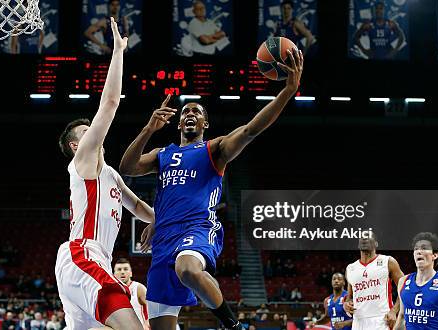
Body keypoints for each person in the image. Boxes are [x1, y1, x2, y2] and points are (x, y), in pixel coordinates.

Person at [119, 48, 304, 330]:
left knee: (187, 269)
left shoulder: (214, 149)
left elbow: (251, 130)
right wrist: (147, 129)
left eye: (197, 111)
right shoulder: (162, 154)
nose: (190, 113)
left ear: (205, 123)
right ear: (179, 122)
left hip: (197, 228)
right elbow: (127, 168)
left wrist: (288, 91)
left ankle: (232, 325)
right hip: (164, 239)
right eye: (185, 111)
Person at [54, 17, 153, 330]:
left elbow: (138, 208)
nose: (94, 133)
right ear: (75, 145)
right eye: (87, 131)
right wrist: (119, 51)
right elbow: (109, 103)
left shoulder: (108, 173)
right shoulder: (83, 161)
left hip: (95, 261)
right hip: (83, 254)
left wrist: (166, 223)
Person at [344, 232, 405, 330]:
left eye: (368, 237)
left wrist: (394, 311)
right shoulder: (350, 268)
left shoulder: (388, 261)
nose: (364, 239)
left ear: (376, 243)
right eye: (362, 237)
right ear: (358, 244)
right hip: (358, 322)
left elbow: (406, 287)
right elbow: (349, 298)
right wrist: (346, 305)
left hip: (382, 319)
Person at [113, 258, 150, 329]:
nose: (122, 272)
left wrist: (147, 323)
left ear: (131, 273)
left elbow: (152, 309)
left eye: (125, 269)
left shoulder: (139, 288)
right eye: (119, 269)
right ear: (114, 274)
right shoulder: (112, 292)